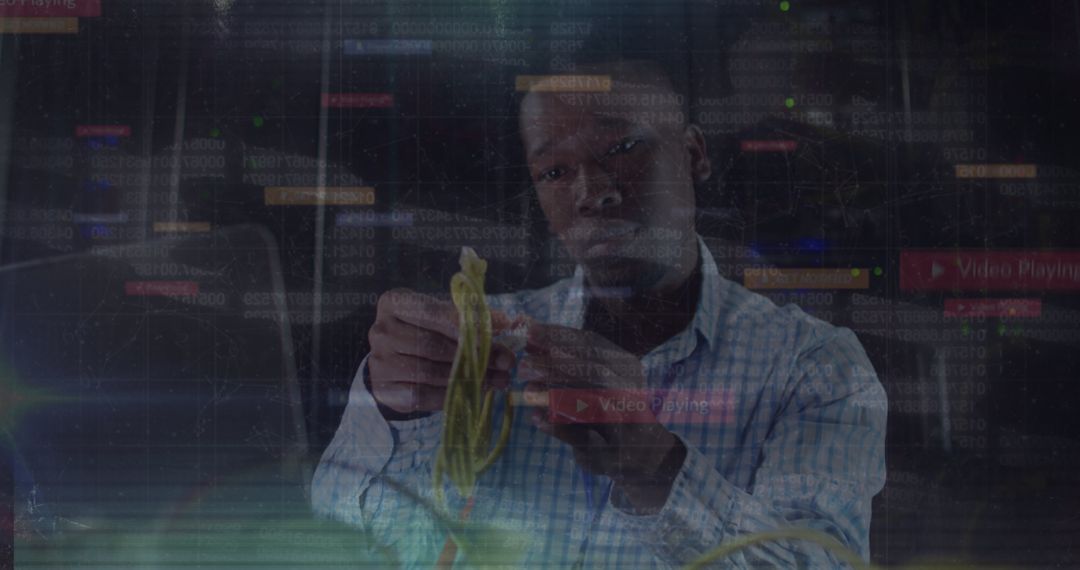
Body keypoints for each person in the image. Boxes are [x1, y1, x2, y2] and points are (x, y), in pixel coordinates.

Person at [311, 59, 887, 568]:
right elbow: (344, 536)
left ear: (694, 155)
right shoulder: (480, 343)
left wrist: (652, 464)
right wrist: (391, 413)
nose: (592, 192)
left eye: (622, 148)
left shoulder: (813, 367)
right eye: (554, 172)